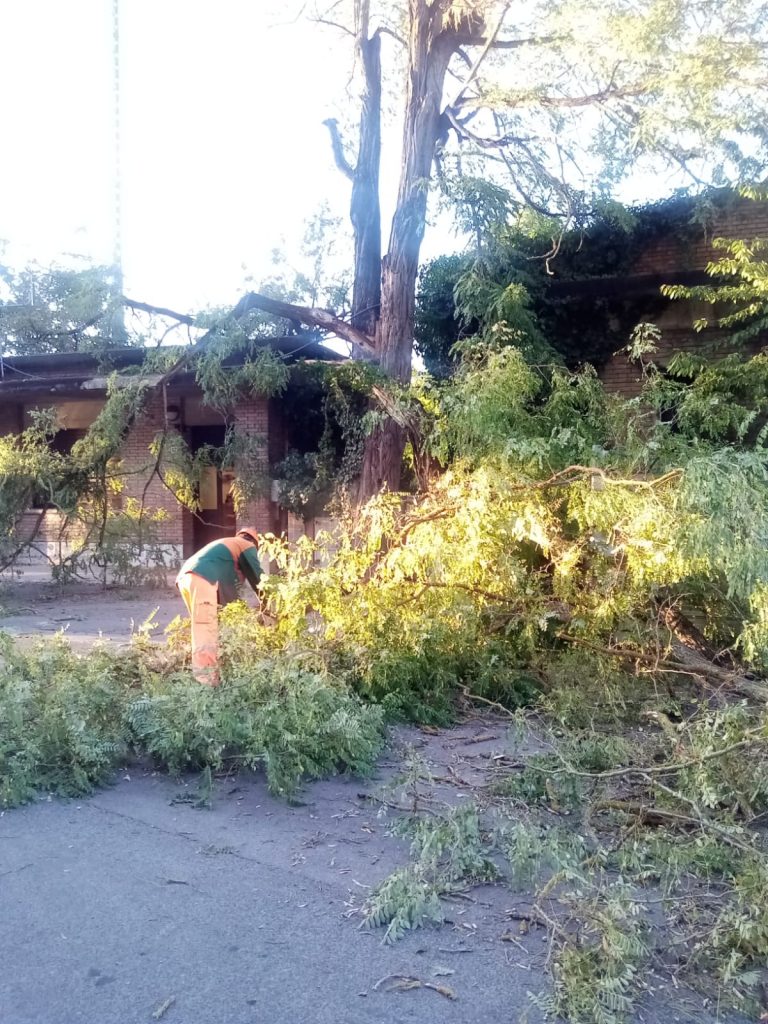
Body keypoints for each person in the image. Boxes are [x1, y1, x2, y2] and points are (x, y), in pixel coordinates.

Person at [176, 527, 262, 686]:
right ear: (255, 543)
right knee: (206, 630)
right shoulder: (246, 545)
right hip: (203, 578)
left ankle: (212, 674)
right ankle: (207, 683)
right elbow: (260, 581)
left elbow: (229, 596)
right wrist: (273, 604)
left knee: (206, 625)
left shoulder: (228, 548)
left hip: (186, 578)